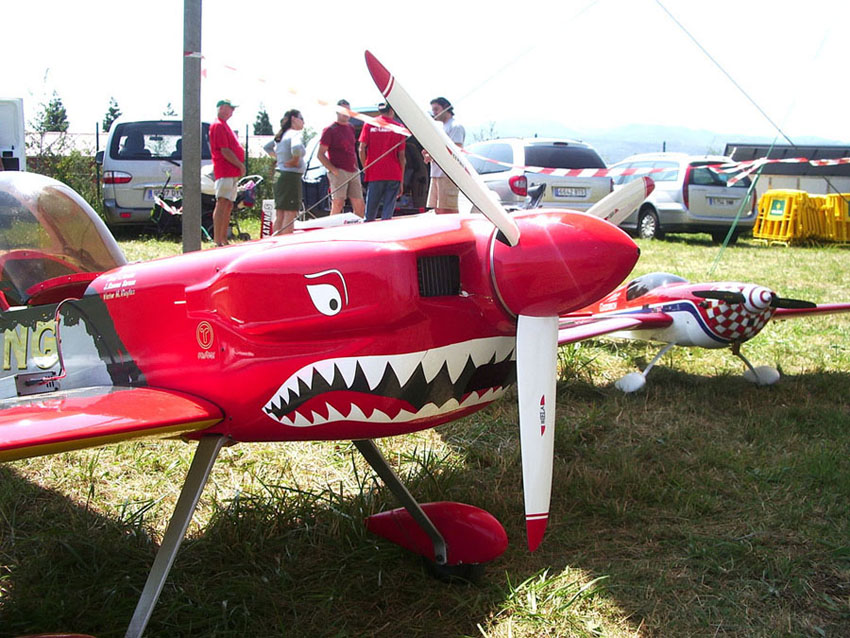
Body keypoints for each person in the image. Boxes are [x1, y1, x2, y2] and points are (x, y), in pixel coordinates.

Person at [358, 103, 406, 222]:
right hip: (393, 173)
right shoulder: (399, 128)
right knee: (387, 213)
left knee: (370, 213)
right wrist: (401, 179)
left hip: (374, 173)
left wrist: (366, 167)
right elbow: (402, 156)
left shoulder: (369, 124)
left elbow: (361, 148)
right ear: (392, 111)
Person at [316, 99, 365, 217]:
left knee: (359, 203)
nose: (346, 113)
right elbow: (320, 154)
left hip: (353, 171)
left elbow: (353, 150)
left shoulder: (351, 128)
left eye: (348, 110)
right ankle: (332, 230)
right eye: (344, 110)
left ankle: (359, 228)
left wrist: (357, 168)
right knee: (338, 202)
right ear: (337, 111)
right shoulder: (330, 130)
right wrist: (334, 171)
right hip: (339, 171)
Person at [209, 98, 245, 246]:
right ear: (222, 108)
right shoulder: (218, 125)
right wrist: (240, 165)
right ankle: (218, 239)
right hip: (224, 170)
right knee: (222, 202)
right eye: (230, 108)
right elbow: (225, 150)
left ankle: (224, 237)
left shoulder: (225, 126)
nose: (232, 112)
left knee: (229, 203)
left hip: (231, 172)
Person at [263, 109, 306, 235]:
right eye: (301, 118)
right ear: (294, 119)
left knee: (280, 212)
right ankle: (286, 243)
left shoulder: (281, 135)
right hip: (290, 176)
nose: (304, 122)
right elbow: (297, 148)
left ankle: (276, 242)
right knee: (290, 213)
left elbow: (266, 147)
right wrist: (294, 160)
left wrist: (279, 158)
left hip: (279, 175)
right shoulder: (294, 134)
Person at [423, 96, 465, 214]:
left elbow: (456, 150)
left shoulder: (455, 126)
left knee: (448, 210)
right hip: (436, 173)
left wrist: (434, 154)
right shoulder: (440, 127)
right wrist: (429, 154)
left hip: (447, 175)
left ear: (446, 108)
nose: (434, 113)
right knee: (438, 210)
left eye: (436, 109)